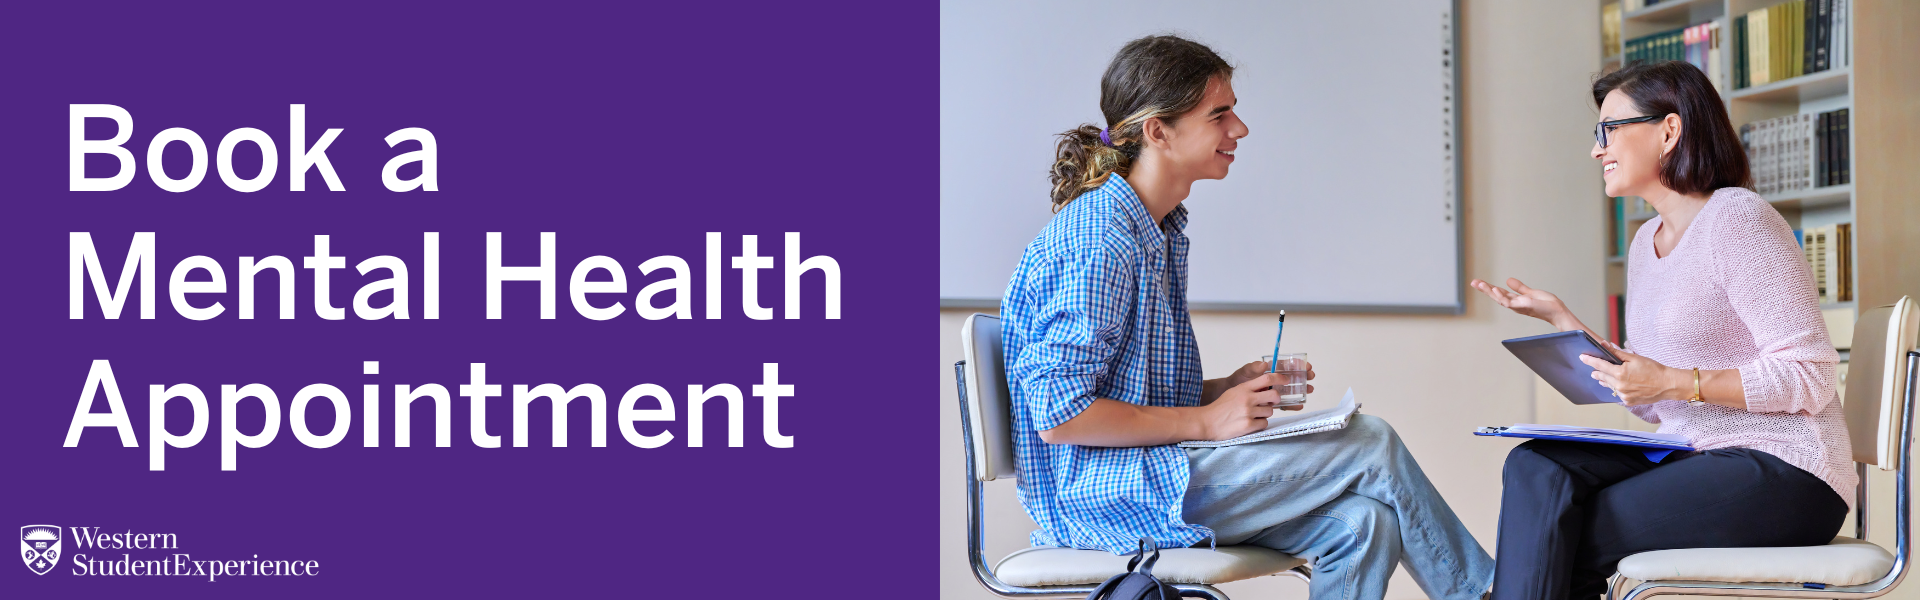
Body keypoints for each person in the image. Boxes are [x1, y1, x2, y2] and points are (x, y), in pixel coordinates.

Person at [1001, 34, 1494, 600]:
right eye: (1220, 114)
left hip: (1156, 472)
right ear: (1159, 131)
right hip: (1111, 494)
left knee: (1363, 524)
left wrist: (1223, 390)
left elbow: (1125, 392)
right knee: (1371, 442)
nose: (1239, 129)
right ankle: (1491, 595)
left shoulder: (1155, 230)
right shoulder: (1099, 240)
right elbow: (1062, 415)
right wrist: (1208, 422)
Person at [1470, 60, 1852, 600]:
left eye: (1610, 130)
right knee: (1535, 465)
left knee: (1562, 535)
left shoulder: (1738, 219)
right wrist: (1565, 322)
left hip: (1787, 469)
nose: (1597, 149)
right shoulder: (1645, 243)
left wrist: (1675, 382)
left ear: (1669, 130)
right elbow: (1654, 403)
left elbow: (1809, 376)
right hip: (1693, 452)